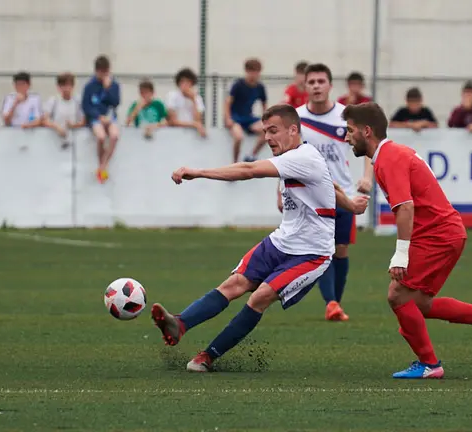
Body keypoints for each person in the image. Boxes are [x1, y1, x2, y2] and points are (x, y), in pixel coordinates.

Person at [152, 104, 369, 372]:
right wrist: (352, 205)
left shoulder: (302, 158)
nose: (267, 137)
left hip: (312, 254)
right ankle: (180, 323)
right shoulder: (303, 155)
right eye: (265, 131)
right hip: (282, 241)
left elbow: (249, 169)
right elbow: (330, 185)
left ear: (293, 130)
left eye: (273, 130)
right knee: (234, 284)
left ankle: (207, 356)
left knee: (260, 296)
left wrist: (198, 172)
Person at [342, 102, 472, 379]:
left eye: (349, 131)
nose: (346, 137)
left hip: (438, 235)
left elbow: (406, 208)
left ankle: (430, 364)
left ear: (367, 131)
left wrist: (401, 255)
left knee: (397, 295)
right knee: (418, 303)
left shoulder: (390, 158)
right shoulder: (390, 155)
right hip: (443, 232)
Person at [295, 63, 374, 322]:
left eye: (321, 81)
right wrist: (279, 189)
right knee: (324, 249)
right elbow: (286, 156)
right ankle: (331, 303)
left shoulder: (346, 116)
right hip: (311, 196)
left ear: (330, 85)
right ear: (305, 86)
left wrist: (366, 177)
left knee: (341, 250)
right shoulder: (296, 119)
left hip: (343, 194)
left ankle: (335, 304)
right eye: (312, 82)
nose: (316, 86)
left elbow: (369, 146)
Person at [82, 55, 121, 184]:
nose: (103, 75)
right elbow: (86, 106)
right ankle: (101, 165)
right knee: (101, 137)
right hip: (96, 118)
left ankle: (103, 166)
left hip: (110, 118)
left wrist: (108, 88)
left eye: (105, 72)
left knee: (114, 136)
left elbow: (115, 102)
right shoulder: (89, 86)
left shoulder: (114, 85)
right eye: (101, 72)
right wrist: (98, 117)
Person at [225, 58, 267, 163]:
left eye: (256, 72)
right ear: (246, 71)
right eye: (251, 71)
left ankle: (252, 155)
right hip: (236, 118)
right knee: (239, 137)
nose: (254, 75)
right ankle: (235, 162)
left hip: (248, 118)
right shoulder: (238, 85)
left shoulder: (260, 87)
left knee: (268, 130)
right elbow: (228, 103)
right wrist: (228, 118)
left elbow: (264, 105)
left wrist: (266, 119)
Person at [43, 73, 84, 149]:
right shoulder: (53, 100)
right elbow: (45, 119)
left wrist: (74, 125)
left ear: (73, 86)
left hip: (74, 142)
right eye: (63, 85)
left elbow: (84, 120)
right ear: (58, 87)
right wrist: (56, 127)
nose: (66, 88)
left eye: (68, 85)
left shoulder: (78, 101)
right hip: (54, 141)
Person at [166, 68, 207, 137]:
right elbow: (172, 121)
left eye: (188, 82)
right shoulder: (172, 96)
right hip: (175, 133)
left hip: (192, 134)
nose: (185, 84)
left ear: (192, 83)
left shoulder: (197, 98)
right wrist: (194, 124)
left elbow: (198, 120)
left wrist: (193, 100)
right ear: (178, 83)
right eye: (182, 81)